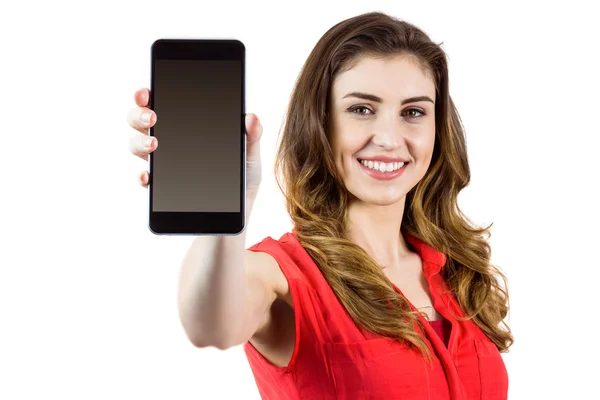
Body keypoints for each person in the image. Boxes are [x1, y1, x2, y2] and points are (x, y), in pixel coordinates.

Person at [127, 11, 513, 400]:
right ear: (319, 122)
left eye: (413, 112)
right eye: (362, 109)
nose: (389, 138)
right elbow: (209, 325)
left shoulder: (457, 272)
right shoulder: (284, 274)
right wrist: (223, 204)